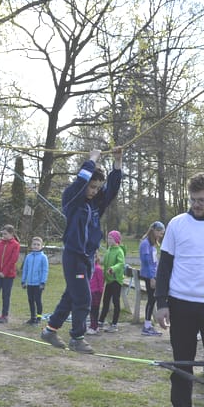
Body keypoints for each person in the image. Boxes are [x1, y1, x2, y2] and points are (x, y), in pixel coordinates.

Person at [154, 172, 204, 407]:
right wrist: (161, 303)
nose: (196, 204)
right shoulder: (177, 224)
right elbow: (165, 266)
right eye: (193, 199)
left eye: (202, 200)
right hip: (180, 304)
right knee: (182, 365)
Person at [40, 147, 123, 353]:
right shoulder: (72, 199)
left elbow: (111, 189)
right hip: (74, 256)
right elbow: (80, 182)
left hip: (88, 258)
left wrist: (118, 162)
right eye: (91, 187)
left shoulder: (95, 205)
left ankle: (50, 330)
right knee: (84, 298)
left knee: (71, 296)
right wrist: (92, 159)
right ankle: (77, 338)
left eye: (97, 187)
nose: (94, 191)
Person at [0, 225, 20, 323]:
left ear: (11, 234)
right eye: (2, 234)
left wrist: (4, 272)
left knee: (6, 295)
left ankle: (4, 315)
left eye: (5, 234)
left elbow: (13, 260)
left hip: (8, 275)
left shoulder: (15, 245)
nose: (3, 236)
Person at [140, 221, 165, 336]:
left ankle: (148, 324)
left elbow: (154, 261)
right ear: (154, 231)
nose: (161, 235)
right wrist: (152, 277)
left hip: (154, 275)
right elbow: (146, 262)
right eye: (160, 232)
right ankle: (147, 326)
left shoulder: (152, 244)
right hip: (149, 276)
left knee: (153, 299)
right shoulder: (145, 243)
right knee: (151, 299)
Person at [98, 230, 126, 333]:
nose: (109, 240)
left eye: (111, 238)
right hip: (109, 280)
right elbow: (105, 263)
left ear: (116, 240)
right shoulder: (109, 250)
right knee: (105, 301)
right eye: (108, 238)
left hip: (116, 280)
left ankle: (114, 324)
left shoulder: (119, 251)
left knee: (115, 302)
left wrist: (113, 269)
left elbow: (121, 263)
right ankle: (101, 321)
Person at [21, 236, 49, 325]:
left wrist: (43, 282)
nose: (36, 246)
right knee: (30, 300)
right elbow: (25, 269)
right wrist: (23, 281)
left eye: (38, 245)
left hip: (38, 284)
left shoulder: (43, 257)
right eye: (34, 244)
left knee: (38, 300)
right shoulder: (28, 257)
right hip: (30, 283)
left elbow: (45, 270)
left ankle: (39, 318)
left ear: (41, 246)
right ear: (31, 245)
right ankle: (32, 317)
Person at [86, 259, 104, 335]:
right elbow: (83, 276)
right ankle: (93, 326)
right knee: (91, 310)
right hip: (90, 291)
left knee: (94, 310)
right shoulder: (89, 268)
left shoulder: (98, 269)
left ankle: (94, 327)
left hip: (96, 293)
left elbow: (101, 282)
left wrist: (100, 292)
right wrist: (76, 276)